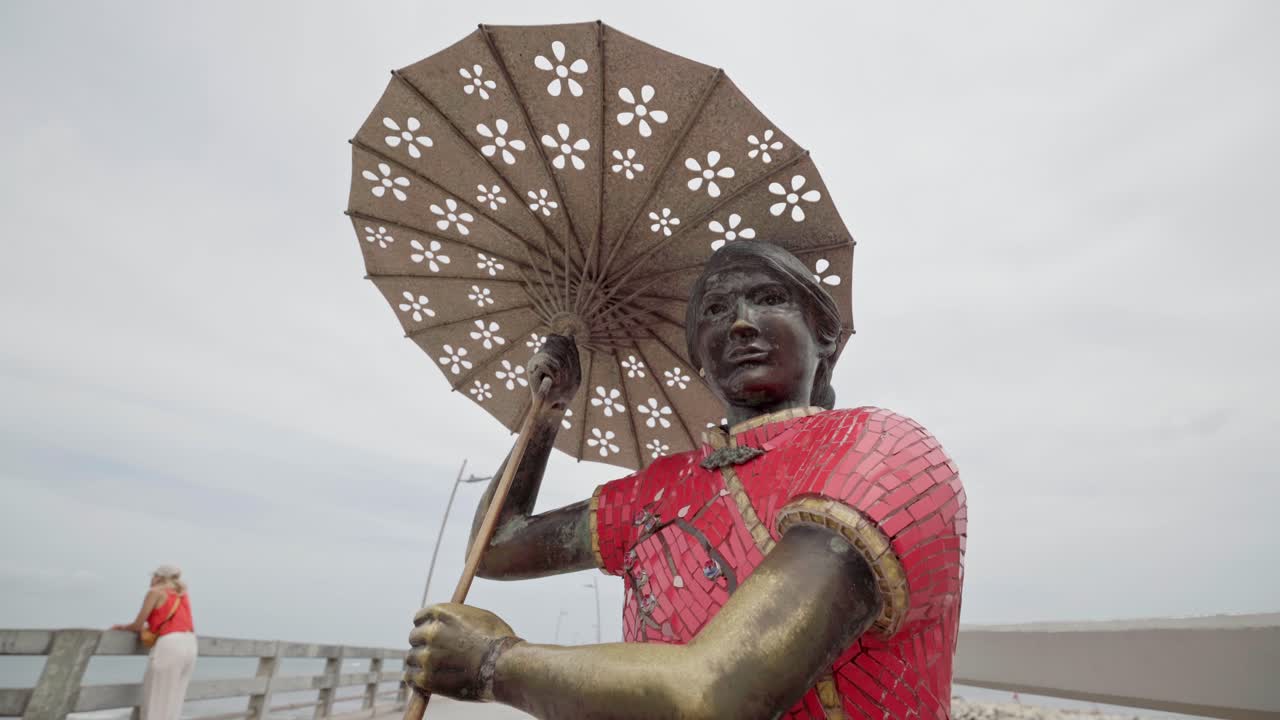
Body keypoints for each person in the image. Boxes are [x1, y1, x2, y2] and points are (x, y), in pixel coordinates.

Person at [406, 241, 966, 719]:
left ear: (826, 337)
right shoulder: (657, 489)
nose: (741, 322)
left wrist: (493, 663)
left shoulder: (882, 447)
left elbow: (721, 692)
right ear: (698, 356)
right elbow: (497, 549)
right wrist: (546, 414)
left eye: (769, 299)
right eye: (716, 311)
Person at [112, 565, 197, 720]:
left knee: (155, 701)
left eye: (153, 575)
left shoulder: (155, 592)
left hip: (171, 644)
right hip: (190, 644)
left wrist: (122, 627)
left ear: (159, 577)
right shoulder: (182, 594)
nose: (151, 579)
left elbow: (137, 625)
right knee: (173, 701)